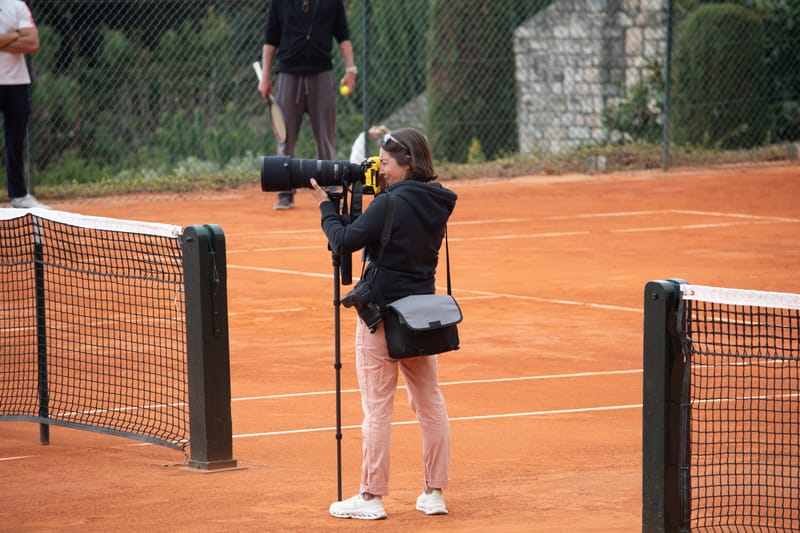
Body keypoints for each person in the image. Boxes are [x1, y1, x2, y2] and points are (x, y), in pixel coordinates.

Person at [309, 128, 457, 520]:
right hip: (422, 318)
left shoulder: (389, 203)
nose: (381, 170)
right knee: (430, 404)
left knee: (377, 409)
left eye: (386, 163)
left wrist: (326, 206)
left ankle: (371, 497)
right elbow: (389, 227)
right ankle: (434, 492)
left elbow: (343, 240)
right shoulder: (437, 201)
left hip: (381, 317)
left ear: (406, 163)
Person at [259, 0, 356, 210]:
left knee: (326, 137)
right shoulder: (279, 3)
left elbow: (343, 35)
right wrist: (265, 76)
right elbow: (270, 39)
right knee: (286, 138)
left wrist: (351, 70)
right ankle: (285, 193)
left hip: (322, 74)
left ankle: (331, 190)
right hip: (288, 74)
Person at [0, 0, 45, 209]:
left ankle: (19, 196)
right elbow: (25, 40)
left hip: (17, 83)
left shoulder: (17, 5)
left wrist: (3, 40)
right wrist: (17, 35)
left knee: (15, 142)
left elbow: (33, 43)